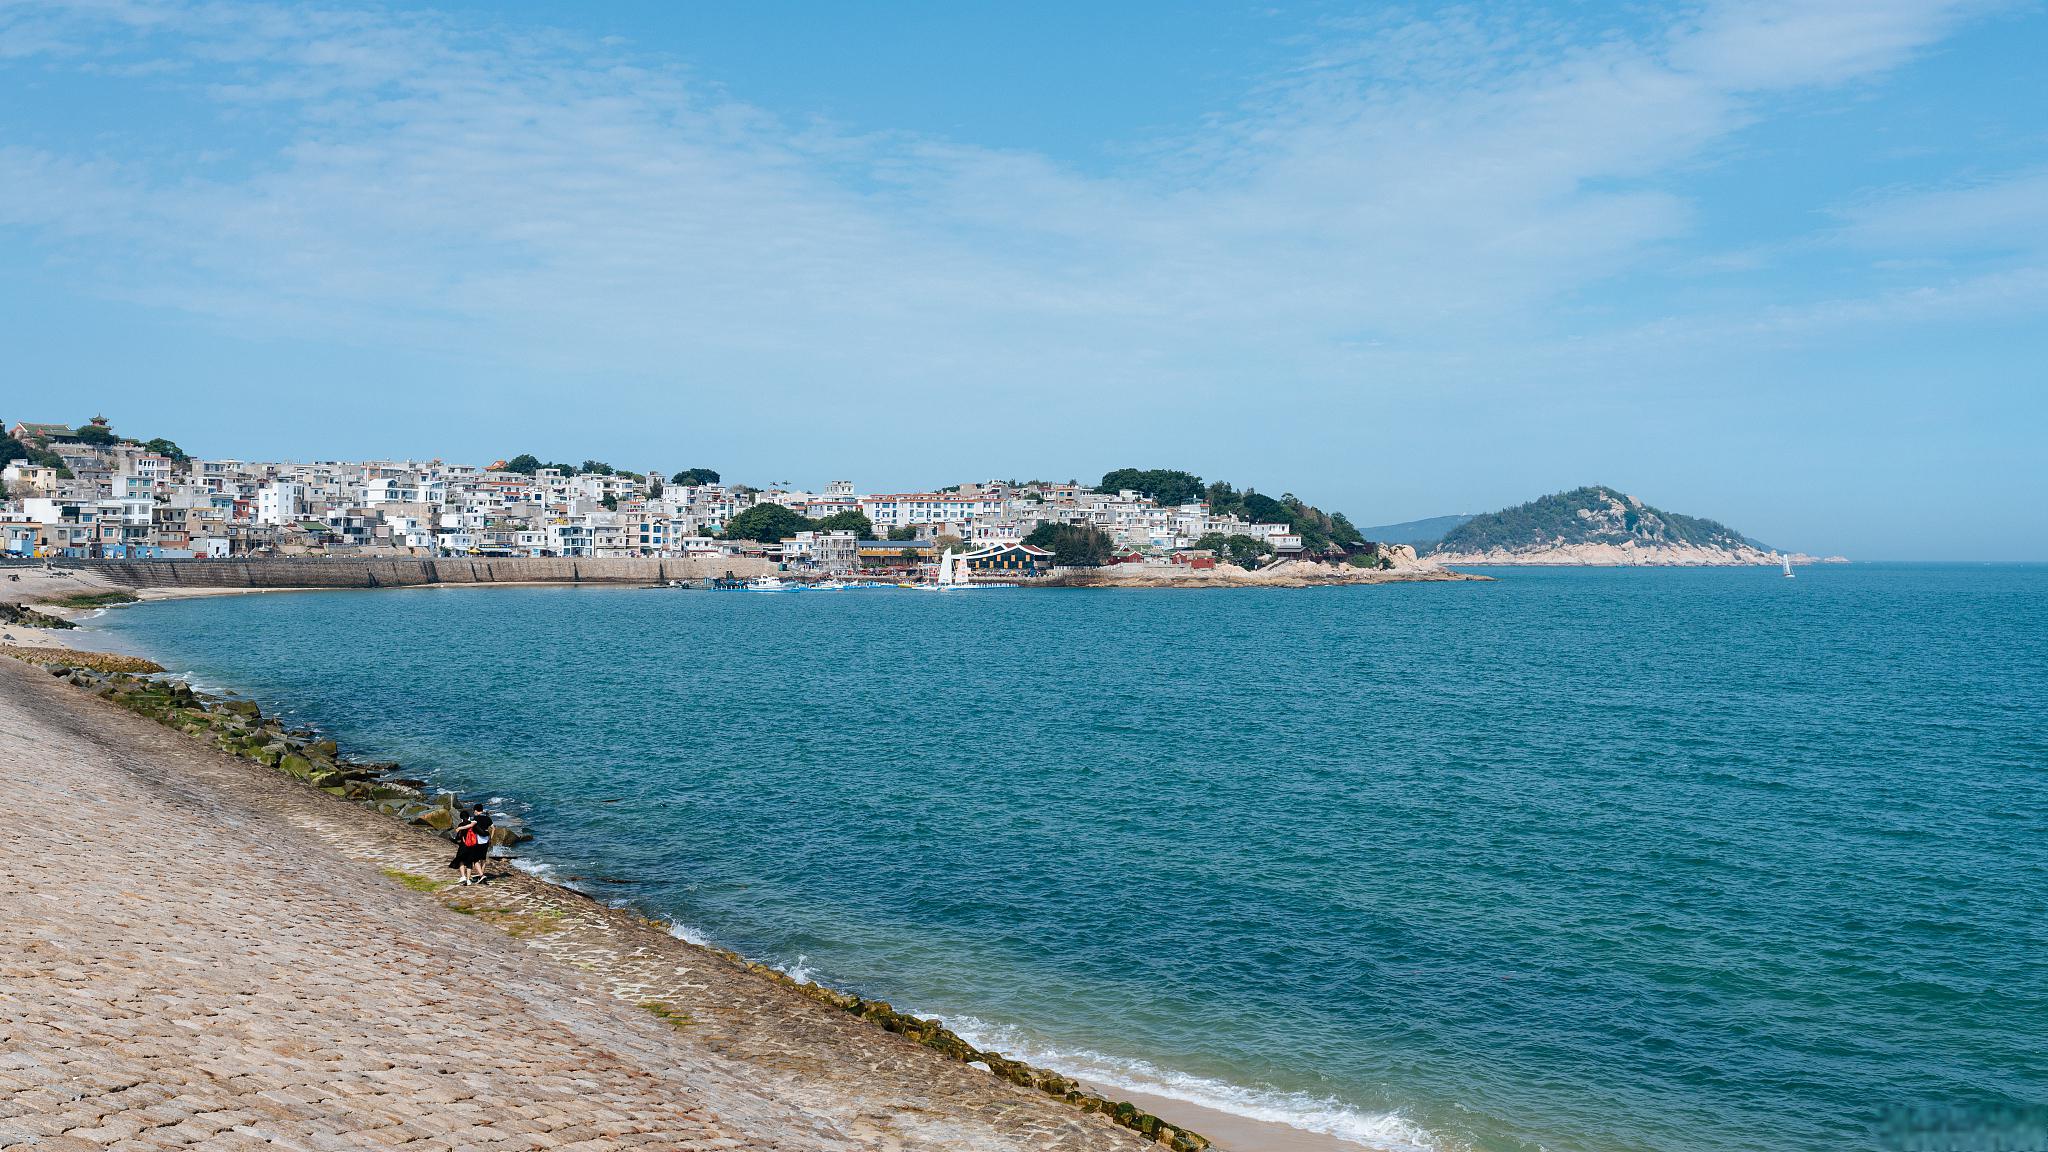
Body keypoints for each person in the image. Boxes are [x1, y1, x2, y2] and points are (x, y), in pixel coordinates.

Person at [449, 804, 494, 885]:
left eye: (474, 811)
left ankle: (480, 876)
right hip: (486, 839)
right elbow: (493, 828)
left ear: (476, 810)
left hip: (476, 842)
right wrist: (491, 837)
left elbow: (470, 826)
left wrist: (460, 828)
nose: (474, 812)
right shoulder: (487, 818)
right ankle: (479, 875)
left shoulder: (475, 819)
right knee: (482, 858)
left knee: (474, 859)